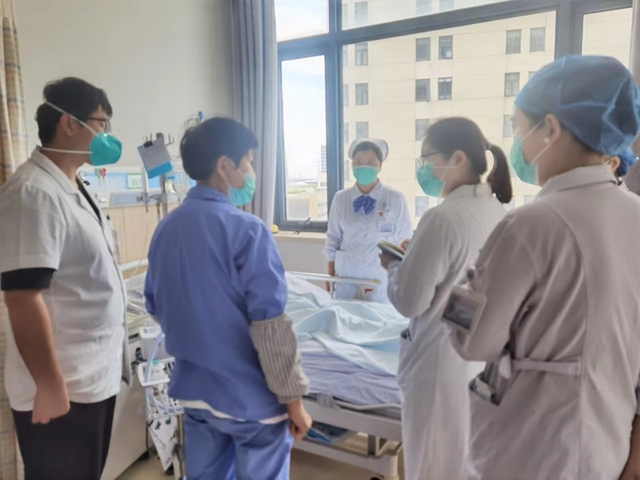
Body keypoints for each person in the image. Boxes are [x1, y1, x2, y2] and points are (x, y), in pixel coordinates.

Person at [449, 55, 640, 480]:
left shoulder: (530, 225)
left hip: (532, 450)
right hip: (606, 445)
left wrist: (462, 286)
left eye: (520, 129)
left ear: (550, 129)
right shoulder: (635, 214)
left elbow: (473, 342)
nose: (519, 144)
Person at [144, 117, 311, 480]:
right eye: (248, 161)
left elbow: (156, 306)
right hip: (250, 401)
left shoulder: (166, 229)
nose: (251, 171)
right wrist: (294, 401)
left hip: (196, 394)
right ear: (225, 166)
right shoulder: (247, 230)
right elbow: (271, 327)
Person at [0, 78, 128, 480]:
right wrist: (49, 383)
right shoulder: (32, 192)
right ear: (69, 123)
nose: (106, 135)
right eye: (101, 123)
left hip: (89, 378)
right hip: (63, 388)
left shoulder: (72, 185)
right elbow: (22, 296)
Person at [380, 117, 513, 480]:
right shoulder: (496, 211)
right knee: (459, 461)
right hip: (474, 360)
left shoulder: (442, 218)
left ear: (457, 158)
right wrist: (417, 255)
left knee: (430, 464)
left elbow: (410, 301)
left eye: (427, 158)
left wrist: (394, 266)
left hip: (437, 364)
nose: (423, 168)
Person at [324, 138, 413, 302]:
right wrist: (331, 275)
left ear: (380, 166)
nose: (364, 166)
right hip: (347, 276)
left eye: (370, 162)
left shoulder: (395, 198)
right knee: (346, 316)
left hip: (381, 278)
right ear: (352, 165)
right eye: (358, 162)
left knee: (380, 317)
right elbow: (333, 239)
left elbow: (405, 240)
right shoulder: (341, 198)